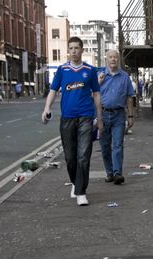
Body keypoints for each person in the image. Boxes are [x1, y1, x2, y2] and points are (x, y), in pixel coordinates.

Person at [41, 36, 102, 206]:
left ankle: (81, 192)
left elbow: (96, 94)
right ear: (69, 50)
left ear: (82, 50)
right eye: (71, 48)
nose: (74, 51)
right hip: (67, 118)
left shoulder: (90, 70)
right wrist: (46, 108)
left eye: (77, 48)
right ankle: (76, 183)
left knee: (83, 155)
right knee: (69, 157)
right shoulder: (62, 70)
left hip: (85, 117)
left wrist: (100, 117)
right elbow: (53, 90)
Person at [97, 50, 135, 185]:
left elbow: (129, 97)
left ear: (118, 60)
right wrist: (98, 83)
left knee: (118, 144)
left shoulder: (124, 77)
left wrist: (130, 116)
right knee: (105, 146)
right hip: (103, 115)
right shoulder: (99, 76)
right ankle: (110, 173)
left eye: (115, 57)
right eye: (110, 57)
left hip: (119, 114)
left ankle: (118, 173)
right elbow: (92, 95)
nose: (113, 60)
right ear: (106, 59)